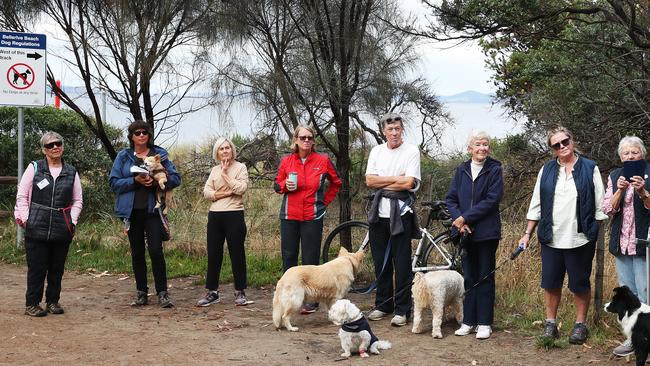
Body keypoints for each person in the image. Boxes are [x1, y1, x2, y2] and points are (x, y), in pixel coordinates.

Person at [519, 126, 607, 345]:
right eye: (556, 145)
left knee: (579, 283)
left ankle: (580, 325)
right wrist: (527, 234)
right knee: (550, 283)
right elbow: (536, 205)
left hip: (581, 237)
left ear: (572, 140)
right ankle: (550, 324)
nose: (562, 147)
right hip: (551, 236)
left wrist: (596, 232)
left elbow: (600, 206)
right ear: (552, 149)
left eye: (565, 141)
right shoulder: (547, 170)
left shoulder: (590, 168)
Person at [109, 120, 181, 308]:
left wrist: (157, 183)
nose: (141, 136)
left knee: (156, 251)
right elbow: (114, 183)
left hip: (153, 211)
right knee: (137, 253)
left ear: (149, 135)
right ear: (131, 136)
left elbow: (176, 178)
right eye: (137, 133)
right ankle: (141, 292)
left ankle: (162, 293)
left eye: (144, 132)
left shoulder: (160, 155)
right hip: (131, 212)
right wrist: (135, 181)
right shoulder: (123, 157)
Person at [273, 125, 341, 314]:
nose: (306, 141)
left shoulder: (323, 160)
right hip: (289, 215)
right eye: (302, 137)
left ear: (313, 141)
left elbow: (337, 183)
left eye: (309, 138)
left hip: (313, 215)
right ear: (295, 140)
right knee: (289, 257)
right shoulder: (286, 161)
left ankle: (311, 300)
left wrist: (324, 202)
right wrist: (284, 185)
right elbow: (276, 186)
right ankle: (290, 296)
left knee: (311, 259)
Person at [14, 131, 83, 317]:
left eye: (58, 143)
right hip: (36, 225)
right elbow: (21, 196)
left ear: (62, 145)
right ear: (43, 149)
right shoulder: (35, 168)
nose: (55, 147)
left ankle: (53, 301)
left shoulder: (71, 171)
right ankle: (32, 304)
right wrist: (28, 219)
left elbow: (77, 200)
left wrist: (72, 220)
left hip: (62, 227)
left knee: (56, 268)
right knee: (37, 268)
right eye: (50, 145)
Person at [365, 112, 421, 327]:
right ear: (383, 131)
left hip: (401, 214)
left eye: (398, 129)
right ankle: (383, 304)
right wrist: (396, 179)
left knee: (402, 264)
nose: (394, 133)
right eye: (390, 129)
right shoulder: (377, 151)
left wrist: (385, 182)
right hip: (378, 214)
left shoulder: (411, 151)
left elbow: (409, 183)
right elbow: (370, 180)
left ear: (402, 129)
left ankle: (402, 309)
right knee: (381, 262)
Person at [446, 131, 503, 340]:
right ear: (470, 148)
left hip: (487, 233)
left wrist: (466, 218)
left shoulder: (495, 169)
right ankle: (468, 321)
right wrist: (459, 221)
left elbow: (491, 200)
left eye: (485, 144)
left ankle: (485, 322)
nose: (482, 148)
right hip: (465, 233)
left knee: (485, 277)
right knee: (469, 277)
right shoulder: (461, 170)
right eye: (478, 144)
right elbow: (451, 199)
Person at [602, 136, 650, 357]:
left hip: (644, 246)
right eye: (626, 154)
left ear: (642, 154)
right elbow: (607, 209)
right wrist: (619, 191)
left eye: (635, 152)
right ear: (621, 157)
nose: (630, 156)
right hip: (622, 245)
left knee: (646, 296)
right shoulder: (615, 176)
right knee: (629, 296)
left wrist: (642, 192)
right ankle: (633, 340)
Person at [197, 137, 250, 307]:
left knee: (237, 254)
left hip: (234, 214)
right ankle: (212, 292)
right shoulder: (214, 170)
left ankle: (240, 291)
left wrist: (226, 175)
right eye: (221, 148)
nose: (225, 151)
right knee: (213, 254)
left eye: (228, 148)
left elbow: (241, 189)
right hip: (215, 216)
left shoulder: (240, 167)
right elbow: (206, 192)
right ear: (217, 152)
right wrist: (227, 193)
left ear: (232, 150)